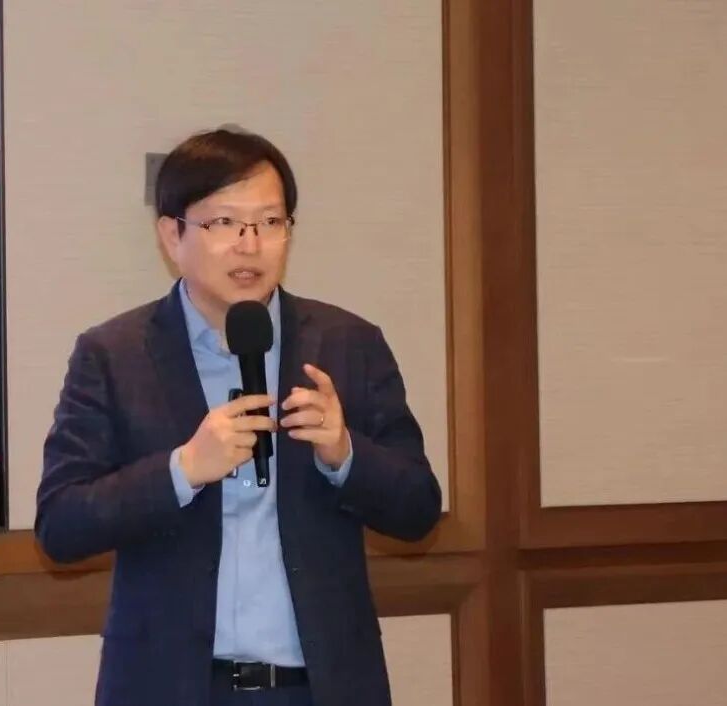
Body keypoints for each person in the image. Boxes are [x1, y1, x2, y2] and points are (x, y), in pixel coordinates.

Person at [34, 127, 441, 706]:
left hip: (319, 688)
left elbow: (419, 510)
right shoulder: (113, 355)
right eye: (224, 223)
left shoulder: (348, 344)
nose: (250, 246)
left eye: (270, 222)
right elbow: (61, 525)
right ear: (172, 235)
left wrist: (345, 454)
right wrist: (182, 469)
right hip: (171, 690)